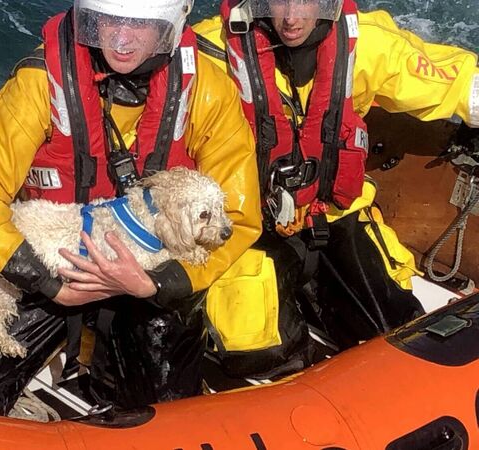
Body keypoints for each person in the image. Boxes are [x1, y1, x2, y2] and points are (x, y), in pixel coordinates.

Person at [0, 0, 262, 415]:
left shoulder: (208, 90)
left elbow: (238, 218)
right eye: (109, 20)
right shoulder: (38, 84)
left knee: (168, 412)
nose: (122, 39)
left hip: (151, 279)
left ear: (170, 25)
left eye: (141, 24)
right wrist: (49, 281)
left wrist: (155, 284)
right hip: (51, 266)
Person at [191, 0, 479, 378]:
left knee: (401, 328)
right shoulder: (210, 51)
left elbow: (459, 83)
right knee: (256, 354)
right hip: (247, 226)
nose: (292, 17)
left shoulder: (366, 43)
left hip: (336, 212)